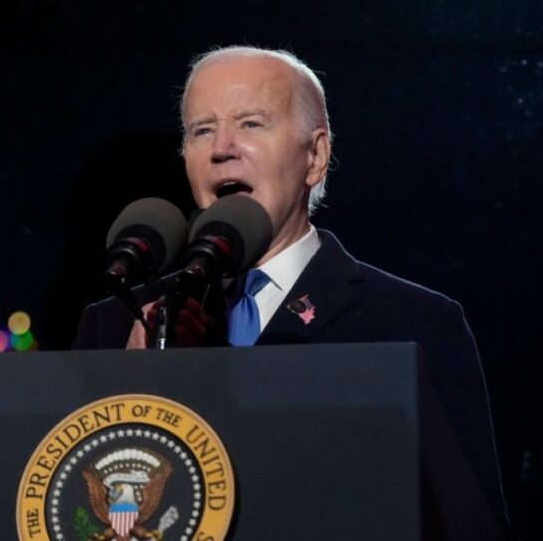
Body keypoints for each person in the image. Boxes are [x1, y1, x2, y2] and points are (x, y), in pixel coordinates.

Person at [73, 46, 507, 526]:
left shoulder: (412, 324)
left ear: (316, 156)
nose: (221, 148)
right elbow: (79, 510)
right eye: (201, 131)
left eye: (251, 124)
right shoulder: (117, 323)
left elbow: (470, 523)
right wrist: (129, 391)